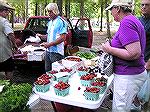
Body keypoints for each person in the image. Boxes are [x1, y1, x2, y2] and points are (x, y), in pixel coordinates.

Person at [102, 0, 147, 111]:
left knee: (120, 109)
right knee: (129, 105)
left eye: (111, 9)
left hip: (128, 75)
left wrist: (109, 49)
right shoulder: (132, 20)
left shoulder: (126, 22)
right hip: (132, 73)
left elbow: (134, 53)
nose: (111, 13)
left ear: (117, 9)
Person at [36, 3, 67, 72]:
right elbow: (49, 36)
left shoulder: (61, 22)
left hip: (57, 53)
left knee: (57, 73)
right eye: (48, 11)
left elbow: (63, 37)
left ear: (55, 11)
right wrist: (41, 36)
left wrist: (49, 44)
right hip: (48, 51)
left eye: (50, 11)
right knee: (48, 72)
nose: (49, 13)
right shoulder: (50, 22)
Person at [0, 1, 17, 80]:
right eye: (5, 11)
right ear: (1, 11)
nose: (7, 13)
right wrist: (14, 44)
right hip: (4, 52)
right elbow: (11, 34)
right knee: (9, 69)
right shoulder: (3, 21)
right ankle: (8, 85)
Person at [139, 0, 150, 69]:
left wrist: (149, 62)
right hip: (138, 62)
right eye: (142, 5)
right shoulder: (138, 20)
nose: (144, 7)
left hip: (147, 63)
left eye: (147, 5)